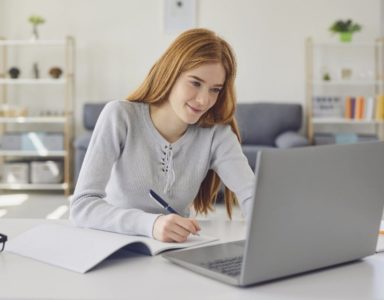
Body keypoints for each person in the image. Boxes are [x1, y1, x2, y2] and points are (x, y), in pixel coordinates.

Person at [70, 28, 255, 243]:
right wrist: (151, 224)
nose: (204, 100)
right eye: (195, 83)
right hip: (113, 245)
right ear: (171, 73)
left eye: (215, 89)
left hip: (174, 249)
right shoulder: (120, 115)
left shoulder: (216, 134)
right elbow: (82, 206)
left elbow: (252, 194)